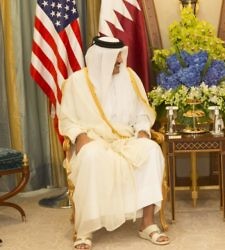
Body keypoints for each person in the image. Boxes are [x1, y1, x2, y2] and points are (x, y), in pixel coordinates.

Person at [59, 36, 170, 249]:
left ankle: (147, 224)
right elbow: (67, 119)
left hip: (126, 139)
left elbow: (141, 114)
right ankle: (86, 229)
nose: (121, 62)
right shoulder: (77, 82)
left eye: (121, 58)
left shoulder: (130, 77)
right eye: (116, 60)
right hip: (93, 140)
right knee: (91, 156)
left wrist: (142, 131)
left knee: (152, 150)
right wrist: (79, 135)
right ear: (101, 60)